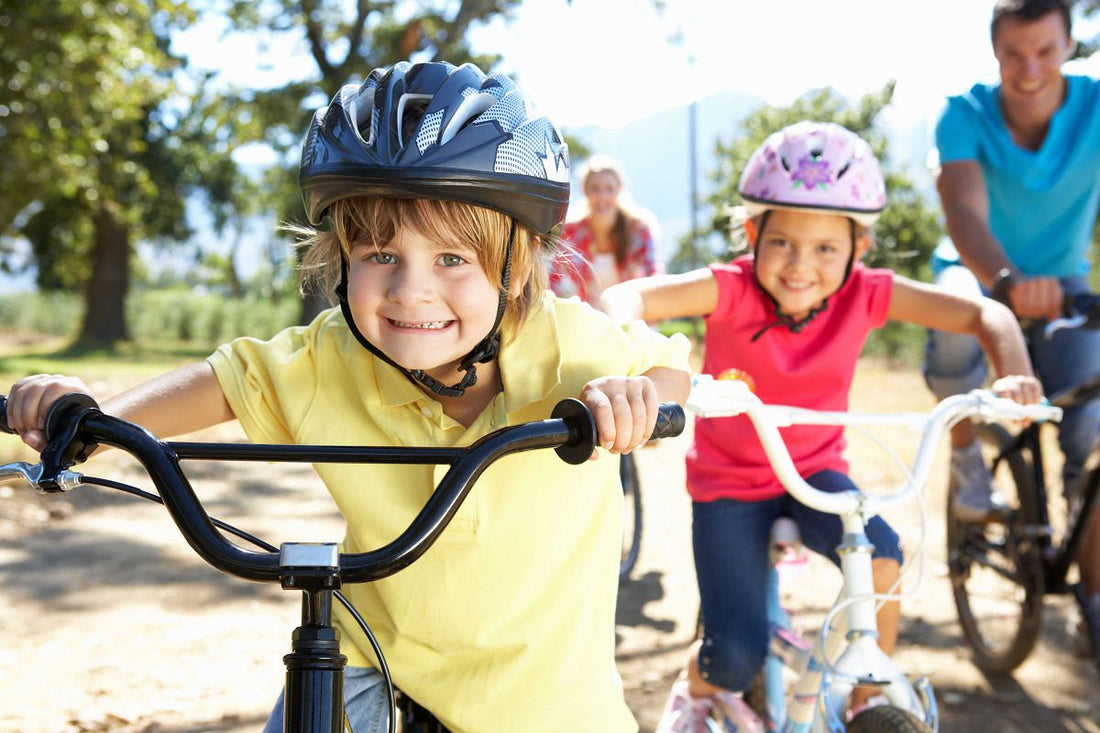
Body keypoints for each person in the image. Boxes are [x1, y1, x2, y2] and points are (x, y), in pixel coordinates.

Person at [5, 61, 691, 733]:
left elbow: (669, 370)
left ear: (515, 266)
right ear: (341, 259)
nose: (410, 290)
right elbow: (230, 377)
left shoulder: (575, 345)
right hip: (375, 666)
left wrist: (635, 399)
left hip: (546, 705)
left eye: (452, 259)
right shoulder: (333, 354)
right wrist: (89, 417)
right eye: (380, 255)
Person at [600, 121, 1043, 731]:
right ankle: (696, 688)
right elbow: (628, 297)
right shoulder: (729, 288)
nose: (800, 266)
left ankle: (868, 689)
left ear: (859, 250)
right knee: (731, 657)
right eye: (782, 243)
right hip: (729, 486)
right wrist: (635, 358)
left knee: (883, 553)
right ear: (753, 233)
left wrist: (1013, 374)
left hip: (815, 472)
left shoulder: (865, 294)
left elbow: (983, 313)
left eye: (826, 249)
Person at [922, 0, 1100, 638]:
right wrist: (1005, 284)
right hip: (980, 270)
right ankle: (967, 458)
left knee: (1090, 440)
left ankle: (1094, 598)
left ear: (1070, 45)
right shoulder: (964, 113)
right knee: (952, 317)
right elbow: (964, 213)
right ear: (995, 52)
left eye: (1046, 51)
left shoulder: (1096, 106)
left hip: (1065, 285)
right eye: (1013, 53)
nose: (1030, 68)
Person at [549, 154, 662, 304]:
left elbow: (654, 278)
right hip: (589, 321)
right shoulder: (571, 232)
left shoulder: (639, 229)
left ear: (619, 190)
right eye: (595, 188)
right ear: (585, 191)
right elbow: (553, 280)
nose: (602, 196)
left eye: (609, 189)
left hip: (632, 317)